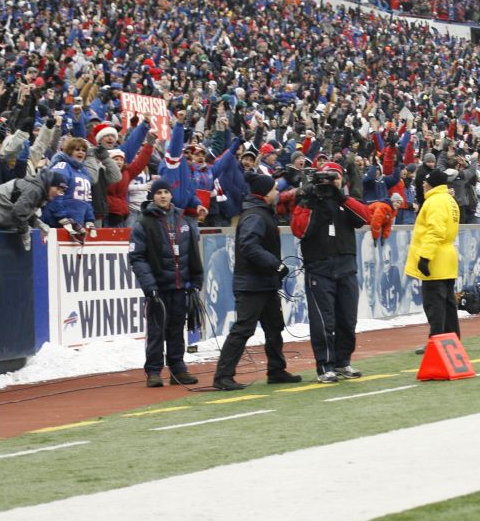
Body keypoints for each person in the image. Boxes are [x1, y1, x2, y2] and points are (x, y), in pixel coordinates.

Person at [211, 172, 302, 390]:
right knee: (243, 329)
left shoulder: (260, 212)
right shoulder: (255, 216)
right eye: (274, 189)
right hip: (252, 284)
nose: (278, 192)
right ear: (265, 193)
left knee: (274, 327)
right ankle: (222, 376)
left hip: (263, 282)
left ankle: (276, 370)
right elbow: (249, 246)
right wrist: (275, 264)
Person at [291, 162, 372, 383]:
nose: (331, 182)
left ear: (342, 180)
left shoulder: (346, 202)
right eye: (327, 178)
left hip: (346, 268)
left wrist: (341, 198)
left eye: (335, 177)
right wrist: (309, 200)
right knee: (323, 321)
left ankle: (343, 361)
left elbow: (366, 218)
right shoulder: (308, 202)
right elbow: (300, 230)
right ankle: (325, 365)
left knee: (348, 319)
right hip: (319, 269)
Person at [128, 180, 203, 388]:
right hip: (158, 289)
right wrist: (149, 286)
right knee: (156, 331)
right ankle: (153, 371)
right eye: (158, 192)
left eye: (166, 192)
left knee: (177, 329)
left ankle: (178, 369)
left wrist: (196, 280)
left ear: (171, 195)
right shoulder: (143, 223)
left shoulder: (183, 220)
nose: (163, 196)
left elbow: (193, 253)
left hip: (180, 287)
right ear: (152, 196)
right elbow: (137, 258)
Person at [405, 168, 461, 353]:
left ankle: (436, 341)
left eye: (425, 181)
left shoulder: (435, 201)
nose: (422, 184)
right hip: (447, 257)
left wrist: (425, 257)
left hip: (436, 259)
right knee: (447, 304)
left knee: (434, 304)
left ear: (432, 183)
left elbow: (435, 231)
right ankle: (452, 340)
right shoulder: (448, 200)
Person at [0, 169, 67, 251]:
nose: (58, 193)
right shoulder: (35, 189)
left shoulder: (41, 191)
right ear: (49, 184)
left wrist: (36, 222)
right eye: (57, 189)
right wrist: (25, 233)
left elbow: (24, 208)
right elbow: (18, 212)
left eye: (61, 191)